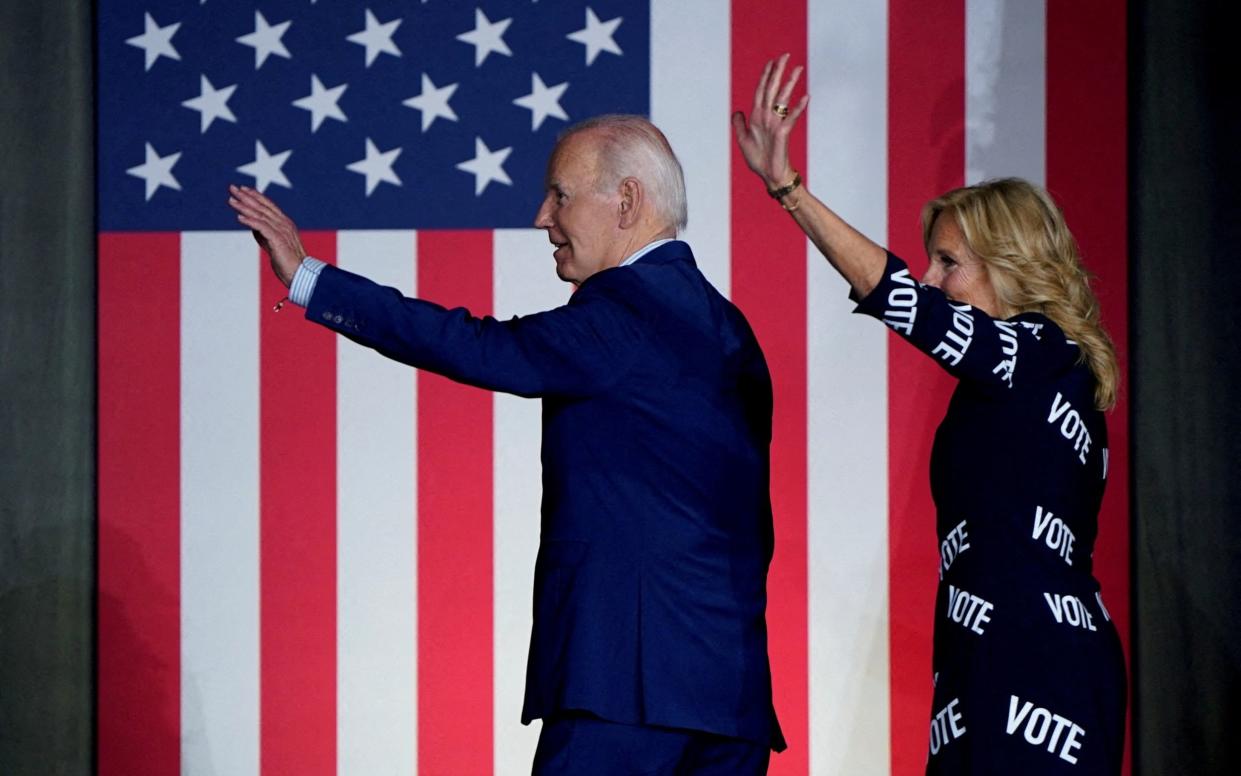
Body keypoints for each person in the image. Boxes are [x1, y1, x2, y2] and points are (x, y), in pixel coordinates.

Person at [229, 114, 785, 775]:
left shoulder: (625, 310)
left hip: (627, 689)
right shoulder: (729, 326)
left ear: (627, 201)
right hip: (730, 696)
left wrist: (309, 277)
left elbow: (481, 346)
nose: (541, 217)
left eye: (560, 195)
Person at [731, 56, 1126, 773]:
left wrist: (788, 190)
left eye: (947, 262)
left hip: (1035, 671)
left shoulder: (1036, 350)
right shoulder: (1023, 374)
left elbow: (897, 299)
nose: (929, 278)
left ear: (1007, 267)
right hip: (984, 659)